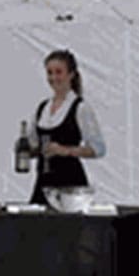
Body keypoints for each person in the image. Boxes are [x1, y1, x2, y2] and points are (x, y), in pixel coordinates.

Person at [27, 49, 106, 205]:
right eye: (49, 73)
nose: (53, 77)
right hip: (43, 184)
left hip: (70, 187)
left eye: (58, 72)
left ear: (71, 74)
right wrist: (28, 151)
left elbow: (99, 149)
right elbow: (34, 146)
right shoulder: (42, 108)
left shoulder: (81, 107)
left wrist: (66, 150)